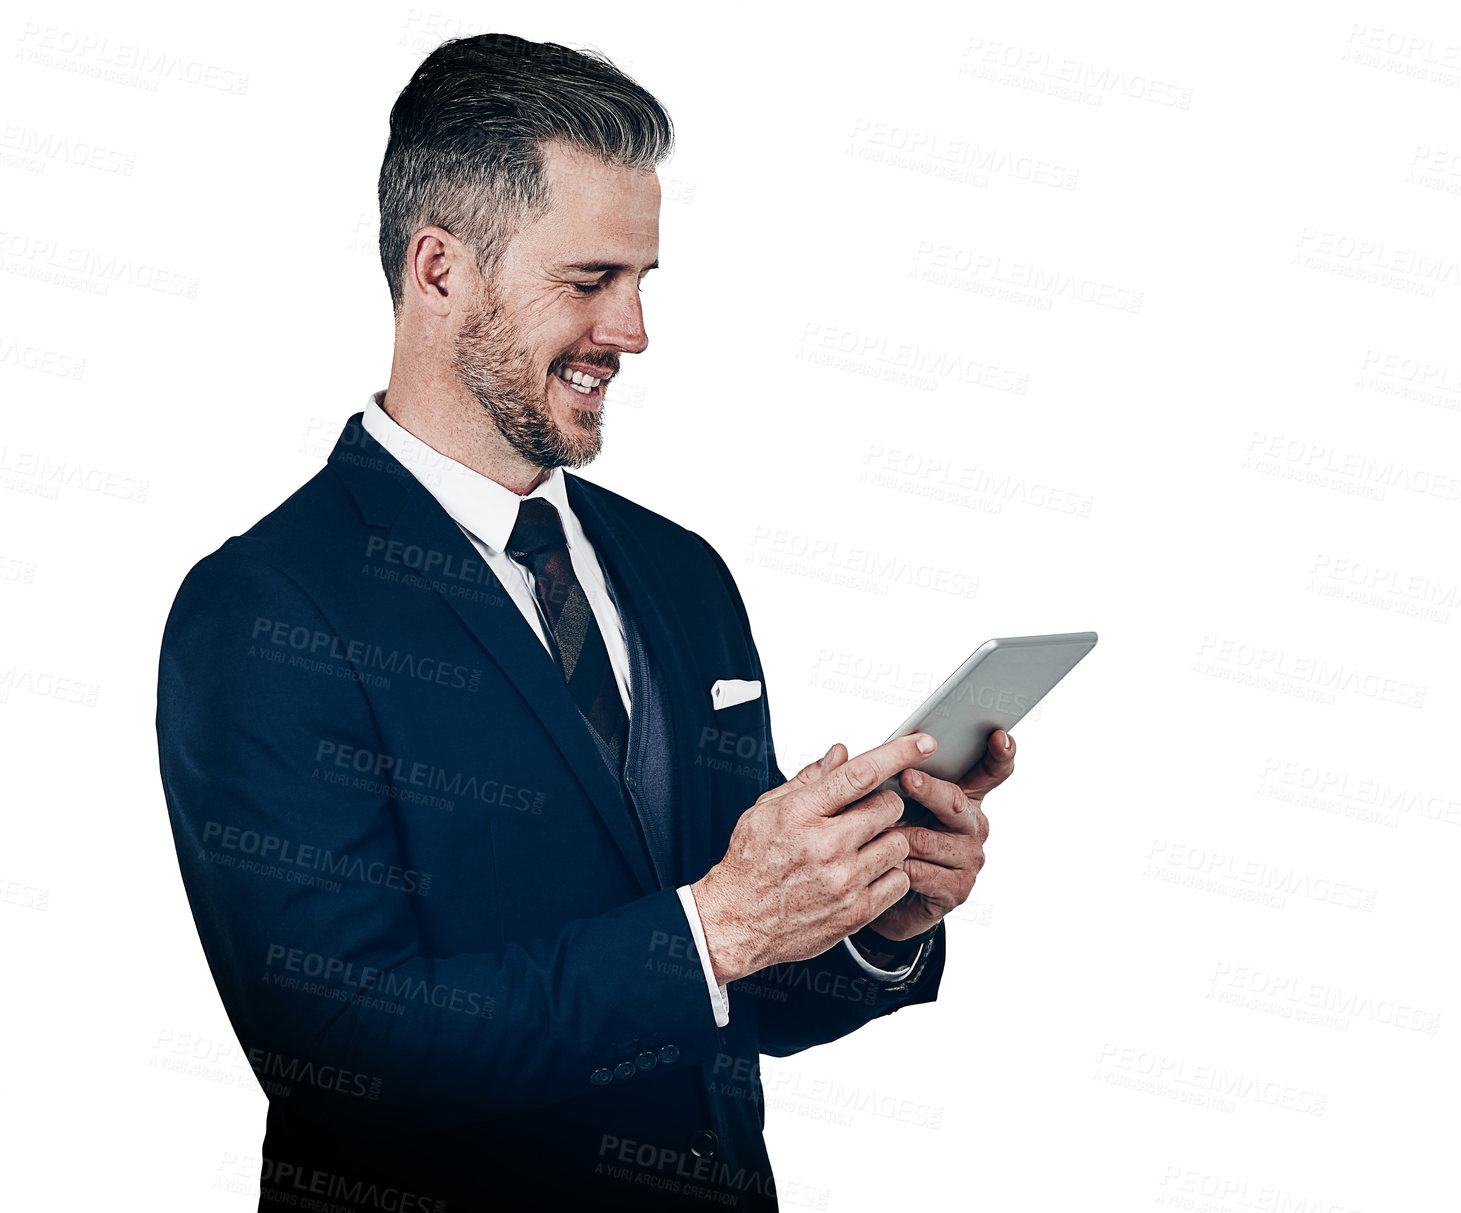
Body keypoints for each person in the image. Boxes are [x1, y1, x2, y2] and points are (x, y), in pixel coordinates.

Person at [155, 33, 1011, 1211]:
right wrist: (708, 929)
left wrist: (872, 914)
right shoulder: (262, 610)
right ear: (440, 269)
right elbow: (341, 1053)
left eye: (644, 280)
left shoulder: (680, 572)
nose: (635, 330)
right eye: (590, 280)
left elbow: (741, 983)